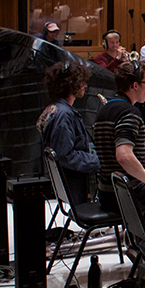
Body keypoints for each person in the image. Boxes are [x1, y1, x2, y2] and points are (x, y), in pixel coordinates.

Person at [93, 61, 145, 214]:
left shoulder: (105, 109)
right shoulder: (129, 113)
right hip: (127, 193)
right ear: (135, 85)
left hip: (106, 191)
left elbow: (113, 153)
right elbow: (123, 157)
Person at [36, 61, 99, 205]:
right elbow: (66, 156)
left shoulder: (58, 109)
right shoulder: (63, 115)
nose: (85, 85)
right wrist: (99, 160)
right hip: (74, 183)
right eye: (82, 82)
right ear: (71, 84)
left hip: (72, 181)